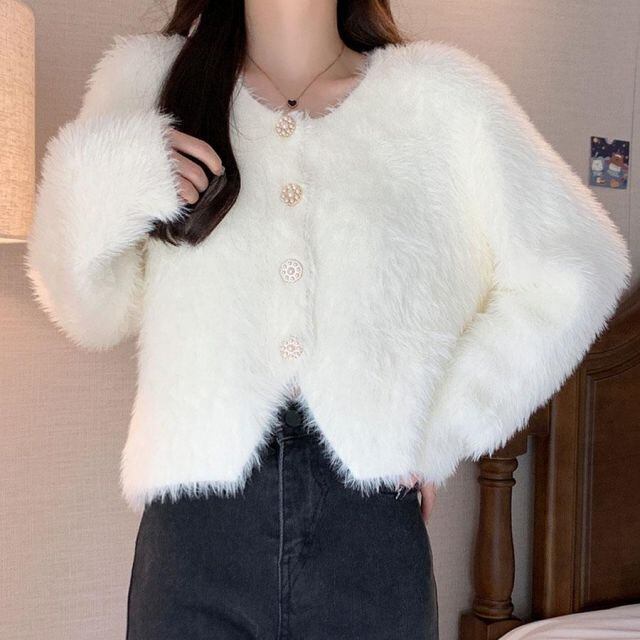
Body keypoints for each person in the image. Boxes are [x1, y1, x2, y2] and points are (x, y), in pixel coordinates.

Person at [24, 0, 632, 638]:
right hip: (195, 532)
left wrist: (444, 427)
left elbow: (578, 266)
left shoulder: (440, 99)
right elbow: (87, 311)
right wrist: (118, 177)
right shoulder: (149, 79)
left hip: (367, 528)